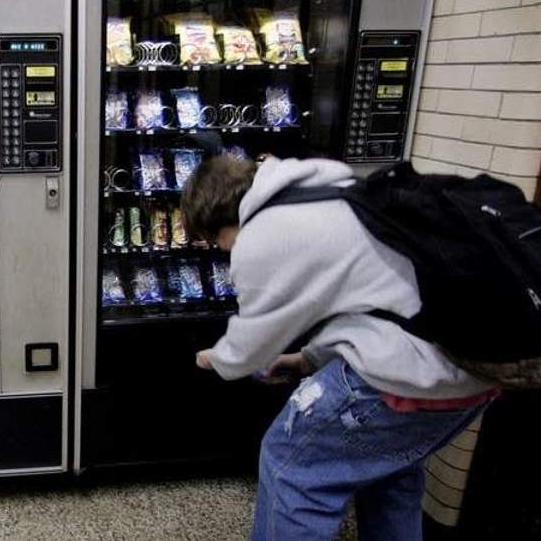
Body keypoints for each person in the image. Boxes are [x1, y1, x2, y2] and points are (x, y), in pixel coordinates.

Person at [181, 155, 498, 541]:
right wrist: (308, 360)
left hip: (405, 378)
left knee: (289, 465)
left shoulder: (259, 236)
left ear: (217, 219)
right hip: (476, 367)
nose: (222, 249)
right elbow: (364, 300)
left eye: (216, 241)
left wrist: (216, 358)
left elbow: (249, 347)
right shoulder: (329, 187)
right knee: (388, 470)